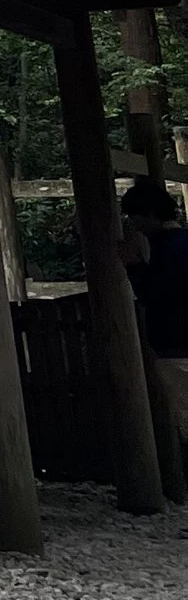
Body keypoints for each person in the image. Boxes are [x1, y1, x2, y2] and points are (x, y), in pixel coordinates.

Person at [120, 176, 188, 440]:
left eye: (134, 217)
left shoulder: (168, 249)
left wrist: (134, 266)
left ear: (149, 214)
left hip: (177, 347)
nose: (133, 224)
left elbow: (156, 295)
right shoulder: (179, 243)